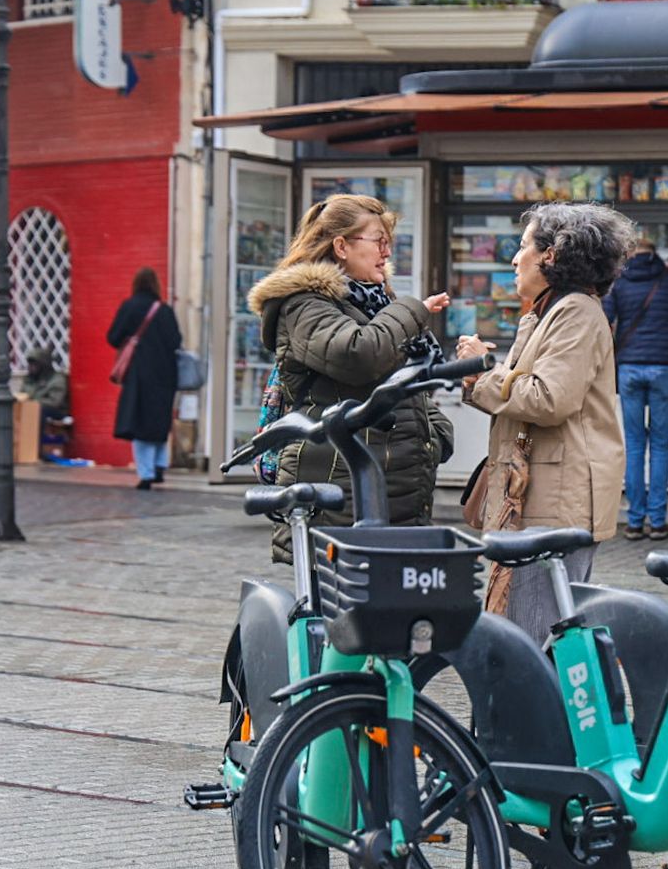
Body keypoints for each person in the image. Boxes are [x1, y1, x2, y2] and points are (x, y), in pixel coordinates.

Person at [247, 194, 454, 562]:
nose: (387, 252)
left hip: (394, 486)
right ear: (341, 246)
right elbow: (358, 355)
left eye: (389, 242)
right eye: (379, 241)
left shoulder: (375, 303)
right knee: (342, 594)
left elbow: (404, 381)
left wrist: (433, 434)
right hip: (338, 487)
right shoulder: (305, 303)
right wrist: (412, 309)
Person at [462, 202, 633, 645]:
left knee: (535, 636)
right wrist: (482, 378)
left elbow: (549, 398)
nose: (514, 259)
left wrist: (484, 375)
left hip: (555, 503)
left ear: (551, 255)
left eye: (523, 246)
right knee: (528, 628)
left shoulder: (574, 311)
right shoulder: (550, 310)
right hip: (544, 497)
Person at [603, 237, 668, 540]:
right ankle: (657, 521)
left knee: (633, 444)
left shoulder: (618, 281)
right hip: (665, 367)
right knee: (659, 445)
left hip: (629, 368)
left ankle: (634, 521)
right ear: (656, 253)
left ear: (630, 254)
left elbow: (604, 321)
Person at [108, 268, 182, 489]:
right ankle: (160, 464)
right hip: (165, 374)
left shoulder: (130, 306)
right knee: (159, 420)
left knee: (139, 422)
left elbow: (113, 337)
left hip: (138, 374)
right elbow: (176, 341)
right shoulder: (165, 310)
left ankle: (146, 473)